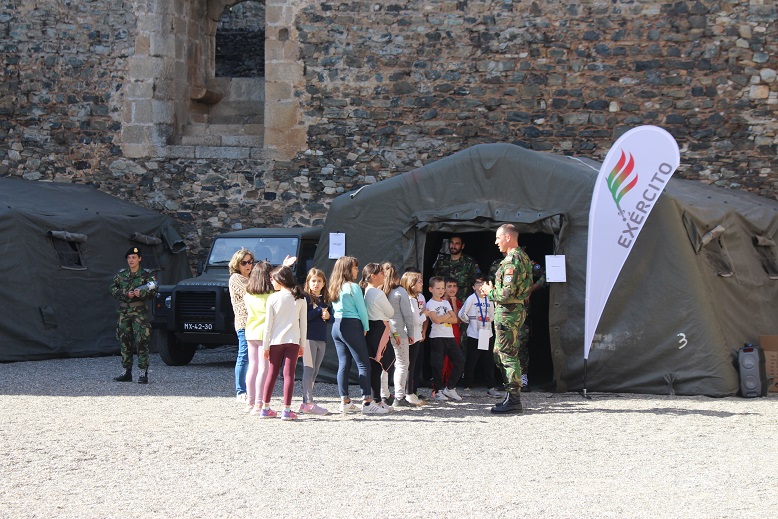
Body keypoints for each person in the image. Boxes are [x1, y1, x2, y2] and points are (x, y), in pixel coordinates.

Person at [480, 224, 533, 414]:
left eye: (498, 238)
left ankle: (514, 400)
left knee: (507, 355)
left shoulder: (512, 262)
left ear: (508, 237)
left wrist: (489, 291)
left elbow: (506, 294)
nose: (496, 242)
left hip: (508, 313)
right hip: (513, 312)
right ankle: (511, 396)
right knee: (500, 353)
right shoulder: (523, 257)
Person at [328, 256, 388, 415]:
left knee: (344, 363)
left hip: (336, 326)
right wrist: (366, 327)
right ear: (348, 269)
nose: (357, 271)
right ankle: (368, 402)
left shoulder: (335, 286)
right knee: (363, 363)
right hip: (351, 325)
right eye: (355, 268)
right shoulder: (353, 287)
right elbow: (362, 310)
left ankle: (345, 401)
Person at [258, 266, 307, 420]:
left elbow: (268, 326)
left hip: (275, 341)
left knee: (271, 373)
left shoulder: (273, 298)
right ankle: (286, 410)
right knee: (289, 375)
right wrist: (303, 345)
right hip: (293, 341)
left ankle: (265, 407)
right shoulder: (300, 298)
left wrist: (266, 346)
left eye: (273, 279)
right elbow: (303, 324)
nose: (271, 282)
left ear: (280, 280)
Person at [110, 247, 157, 384]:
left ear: (140, 259)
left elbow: (154, 291)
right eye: (129, 258)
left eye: (134, 257)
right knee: (124, 342)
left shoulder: (146, 275)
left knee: (141, 341)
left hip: (139, 313)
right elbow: (112, 288)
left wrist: (140, 293)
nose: (131, 260)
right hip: (124, 313)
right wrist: (125, 293)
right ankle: (126, 372)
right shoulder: (121, 275)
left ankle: (143, 373)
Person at [458, 273, 503, 397]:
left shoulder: (490, 298)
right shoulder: (471, 298)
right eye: (478, 283)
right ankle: (467, 387)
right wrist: (471, 321)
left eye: (484, 283)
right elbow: (461, 314)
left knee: (488, 361)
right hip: (474, 334)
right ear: (473, 287)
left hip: (487, 334)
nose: (482, 286)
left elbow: (493, 315)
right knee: (471, 361)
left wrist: (486, 321)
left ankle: (491, 387)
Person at [382, 263, 419, 408]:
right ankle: (399, 396)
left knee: (383, 366)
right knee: (402, 364)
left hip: (383, 332)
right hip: (399, 332)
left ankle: (384, 395)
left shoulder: (379, 291)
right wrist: (411, 333)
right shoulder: (400, 292)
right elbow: (408, 315)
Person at [360, 263, 395, 412]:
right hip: (379, 329)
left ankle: (377, 399)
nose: (384, 275)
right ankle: (375, 400)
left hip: (370, 330)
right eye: (381, 273)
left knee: (374, 365)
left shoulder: (365, 291)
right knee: (377, 365)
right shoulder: (377, 293)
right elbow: (391, 312)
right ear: (373, 276)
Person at [426, 276, 465, 401]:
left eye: (442, 288)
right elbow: (436, 320)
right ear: (431, 289)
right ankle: (437, 390)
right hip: (437, 337)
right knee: (438, 364)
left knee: (460, 361)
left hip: (450, 336)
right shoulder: (430, 303)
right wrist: (447, 315)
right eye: (438, 288)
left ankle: (450, 388)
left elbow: (455, 319)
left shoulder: (446, 302)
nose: (441, 290)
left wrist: (443, 317)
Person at [243, 260, 274, 415]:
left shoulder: (248, 293)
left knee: (253, 367)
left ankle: (250, 401)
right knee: (264, 368)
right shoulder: (271, 295)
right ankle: (259, 404)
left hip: (251, 331)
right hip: (264, 333)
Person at [300, 268, 331, 415]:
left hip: (321, 338)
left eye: (319, 281)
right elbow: (304, 317)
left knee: (315, 371)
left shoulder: (325, 299)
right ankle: (308, 402)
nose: (316, 284)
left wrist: (328, 316)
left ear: (324, 283)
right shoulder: (305, 298)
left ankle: (305, 401)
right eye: (313, 281)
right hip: (308, 338)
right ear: (308, 282)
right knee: (308, 369)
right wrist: (319, 311)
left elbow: (330, 318)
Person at [228, 248, 255, 403]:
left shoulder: (253, 278)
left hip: (256, 322)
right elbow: (251, 293)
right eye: (244, 262)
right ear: (237, 264)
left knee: (254, 357)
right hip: (244, 322)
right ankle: (241, 391)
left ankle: (251, 389)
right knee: (244, 355)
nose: (248, 265)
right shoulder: (235, 278)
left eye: (250, 262)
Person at [400, 270, 426, 405]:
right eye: (419, 281)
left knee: (408, 364)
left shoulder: (408, 298)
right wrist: (425, 314)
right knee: (410, 365)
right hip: (413, 335)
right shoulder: (412, 300)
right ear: (412, 284)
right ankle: (408, 393)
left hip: (412, 334)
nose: (422, 283)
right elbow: (416, 320)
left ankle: (406, 392)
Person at [433, 234, 482, 302]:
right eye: (451, 243)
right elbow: (435, 281)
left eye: (457, 243)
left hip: (463, 303)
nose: (453, 246)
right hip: (444, 302)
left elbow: (478, 281)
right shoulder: (441, 262)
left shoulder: (469, 262)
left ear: (462, 246)